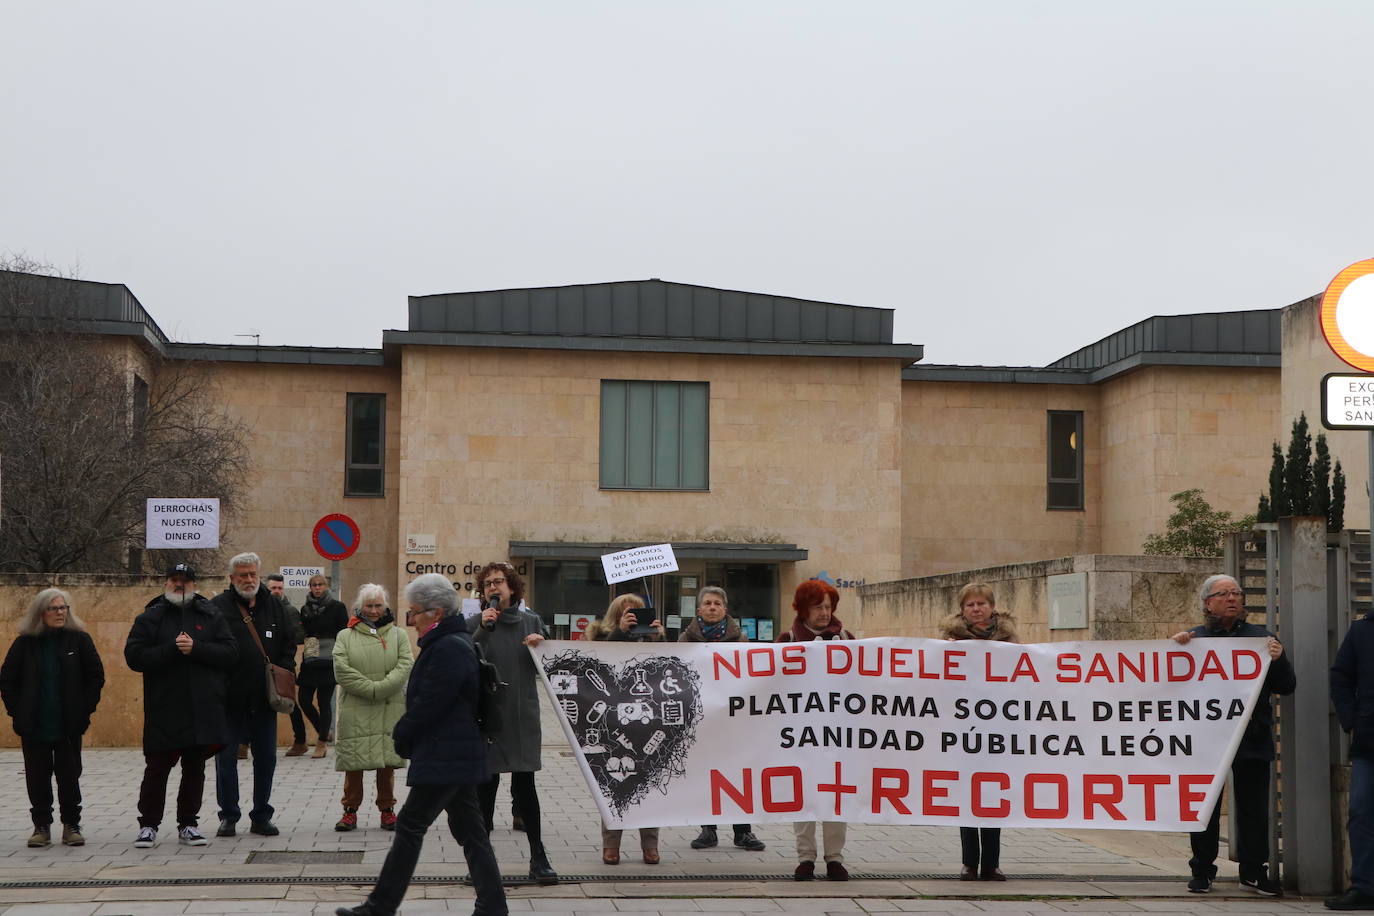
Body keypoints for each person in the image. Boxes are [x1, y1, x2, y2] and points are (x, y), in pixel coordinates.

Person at [334, 573, 505, 916]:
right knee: (471, 832)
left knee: (411, 826)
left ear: (436, 612)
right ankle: (493, 906)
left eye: (415, 613)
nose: (410, 621)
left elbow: (431, 702)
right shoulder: (450, 642)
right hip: (455, 754)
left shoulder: (449, 647)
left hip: (447, 753)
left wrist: (403, 732)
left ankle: (381, 906)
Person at [1171, 573, 1294, 896]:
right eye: (1224, 594)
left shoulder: (1262, 639)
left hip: (1251, 738)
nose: (1232, 599)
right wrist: (1173, 648)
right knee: (1205, 806)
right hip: (1205, 741)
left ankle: (1254, 872)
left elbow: (1287, 686)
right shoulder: (1193, 640)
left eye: (1236, 593)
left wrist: (1278, 660)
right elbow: (1168, 686)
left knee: (1254, 809)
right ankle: (1202, 870)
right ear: (1207, 603)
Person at [123, 564, 237, 848]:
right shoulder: (151, 616)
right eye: (174, 580)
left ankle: (188, 823)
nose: (179, 585)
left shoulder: (210, 615)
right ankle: (148, 825)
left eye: (185, 581)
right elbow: (134, 656)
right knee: (157, 768)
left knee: (194, 769)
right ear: (166, 583)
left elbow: (231, 653)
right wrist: (171, 650)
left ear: (193, 585)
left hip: (202, 709)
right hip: (165, 708)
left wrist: (196, 648)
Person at [471, 560, 558, 884]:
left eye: (499, 582)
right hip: (488, 719)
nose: (493, 587)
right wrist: (481, 627)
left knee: (525, 788)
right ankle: (480, 862)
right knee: (485, 792)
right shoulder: (474, 624)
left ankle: (539, 857)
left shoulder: (531, 621)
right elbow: (463, 659)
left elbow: (552, 668)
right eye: (488, 584)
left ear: (512, 587)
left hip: (522, 717)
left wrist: (543, 647)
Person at [0, 588, 104, 848]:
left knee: (69, 774)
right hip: (34, 724)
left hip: (68, 724)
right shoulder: (25, 643)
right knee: (37, 775)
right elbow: (8, 680)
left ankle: (71, 825)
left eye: (63, 608)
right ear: (40, 613)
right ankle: (41, 826)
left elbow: (95, 677)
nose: (59, 613)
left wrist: (84, 710)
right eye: (53, 608)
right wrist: (17, 711)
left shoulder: (79, 640)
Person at [211, 551, 297, 838]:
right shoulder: (218, 607)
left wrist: (283, 670)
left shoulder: (274, 606)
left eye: (252, 574)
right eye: (243, 575)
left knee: (266, 758)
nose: (248, 580)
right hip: (228, 699)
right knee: (225, 759)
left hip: (263, 699)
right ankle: (229, 815)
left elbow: (288, 643)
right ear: (231, 578)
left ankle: (261, 815)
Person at [679, 585, 766, 852]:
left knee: (740, 772)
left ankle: (743, 832)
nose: (713, 607)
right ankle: (708, 830)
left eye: (717, 603)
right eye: (708, 603)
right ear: (699, 610)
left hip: (734, 719)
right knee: (707, 773)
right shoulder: (685, 640)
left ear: (725, 609)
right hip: (702, 718)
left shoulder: (740, 640)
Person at [941, 581, 1017, 881]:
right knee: (968, 797)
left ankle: (992, 863)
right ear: (962, 610)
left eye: (981, 604)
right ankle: (970, 863)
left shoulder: (1009, 641)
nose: (976, 609)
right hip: (963, 732)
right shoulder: (949, 641)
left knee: (992, 796)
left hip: (996, 730)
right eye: (970, 604)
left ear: (992, 607)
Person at [778, 579, 853, 880]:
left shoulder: (846, 638)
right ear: (803, 609)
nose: (824, 613)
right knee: (804, 795)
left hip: (837, 731)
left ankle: (834, 857)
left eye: (828, 607)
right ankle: (805, 857)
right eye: (818, 607)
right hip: (800, 732)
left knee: (837, 793)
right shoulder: (787, 640)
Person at [585, 593, 664, 865]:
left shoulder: (650, 636)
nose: (633, 616)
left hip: (649, 720)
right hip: (613, 721)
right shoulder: (601, 635)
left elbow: (667, 670)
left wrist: (658, 638)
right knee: (614, 783)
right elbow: (599, 663)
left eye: (637, 612)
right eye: (627, 611)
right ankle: (611, 844)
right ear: (616, 614)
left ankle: (650, 845)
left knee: (649, 785)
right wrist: (621, 632)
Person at [333, 584, 413, 832]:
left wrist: (383, 687)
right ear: (361, 607)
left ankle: (387, 810)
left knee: (386, 762)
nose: (375, 610)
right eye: (370, 605)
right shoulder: (345, 636)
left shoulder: (398, 635)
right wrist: (372, 689)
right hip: (357, 707)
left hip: (389, 707)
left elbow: (405, 664)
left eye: (378, 605)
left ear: (385, 606)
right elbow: (341, 670)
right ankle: (350, 811)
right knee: (354, 763)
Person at [1330, 610, 1374, 910]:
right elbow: (1340, 677)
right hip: (1369, 743)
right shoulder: (1361, 631)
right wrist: (1352, 720)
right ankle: (1364, 886)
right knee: (1361, 813)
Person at [299, 574, 349, 759]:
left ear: (325, 586)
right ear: (310, 587)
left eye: (320, 585)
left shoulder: (337, 607)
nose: (317, 588)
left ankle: (321, 743)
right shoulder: (305, 609)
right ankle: (323, 730)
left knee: (323, 701)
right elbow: (306, 632)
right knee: (304, 699)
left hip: (329, 656)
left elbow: (344, 632)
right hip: (311, 653)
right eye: (314, 585)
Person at [267, 574, 309, 757]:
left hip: (284, 665)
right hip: (265, 665)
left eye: (279, 588)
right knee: (258, 703)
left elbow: (298, 636)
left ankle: (300, 741)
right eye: (273, 588)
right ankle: (245, 743)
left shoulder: (290, 611)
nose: (276, 591)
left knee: (290, 704)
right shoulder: (261, 609)